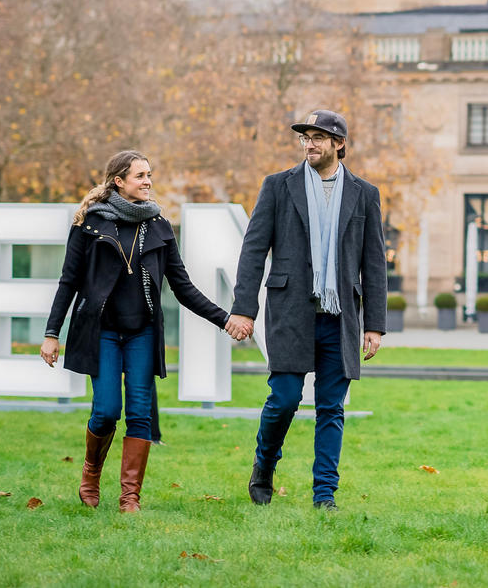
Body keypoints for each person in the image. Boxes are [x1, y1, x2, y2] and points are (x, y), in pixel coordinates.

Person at [41, 150, 243, 512]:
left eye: (149, 175)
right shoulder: (90, 223)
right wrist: (52, 333)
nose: (148, 181)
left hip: (142, 334)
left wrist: (225, 319)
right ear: (119, 181)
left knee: (140, 413)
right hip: (101, 332)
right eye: (140, 176)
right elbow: (68, 281)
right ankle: (91, 472)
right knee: (106, 410)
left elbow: (183, 287)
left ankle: (129, 497)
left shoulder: (159, 226)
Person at [227, 110, 386, 510]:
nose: (309, 144)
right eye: (305, 138)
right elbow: (253, 250)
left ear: (339, 144)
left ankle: (324, 495)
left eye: (318, 137)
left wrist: (375, 324)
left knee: (331, 408)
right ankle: (264, 464)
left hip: (340, 317)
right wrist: (244, 309)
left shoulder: (365, 193)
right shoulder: (278, 186)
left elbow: (375, 262)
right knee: (284, 399)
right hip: (289, 312)